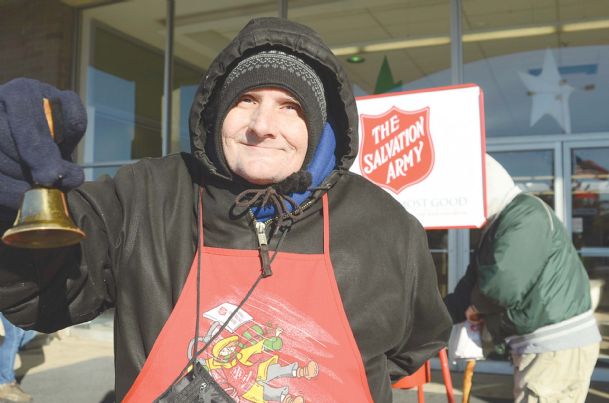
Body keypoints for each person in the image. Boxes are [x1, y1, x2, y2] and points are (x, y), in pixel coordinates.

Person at [0, 17, 452, 402]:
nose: (261, 126)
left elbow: (416, 342)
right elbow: (37, 296)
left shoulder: (385, 225)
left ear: (318, 126)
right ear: (217, 113)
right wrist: (15, 197)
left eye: (290, 107)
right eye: (246, 100)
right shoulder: (144, 196)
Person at [444, 154, 601, 403]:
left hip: (554, 348)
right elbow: (472, 283)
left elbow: (502, 285)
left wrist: (475, 307)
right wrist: (435, 317)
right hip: (546, 347)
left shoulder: (524, 216)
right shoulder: (502, 223)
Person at [0, 313, 36, 403]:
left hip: (22, 301)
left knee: (30, 331)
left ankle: (4, 375)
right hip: (8, 301)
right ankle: (4, 384)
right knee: (13, 337)